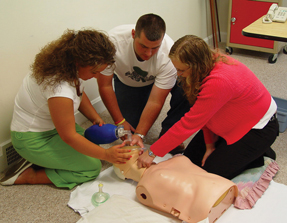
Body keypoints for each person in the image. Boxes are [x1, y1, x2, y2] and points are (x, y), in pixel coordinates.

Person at [0, 29, 132, 189]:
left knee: (90, 143)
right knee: (92, 167)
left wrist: (94, 117)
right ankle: (31, 175)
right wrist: (106, 155)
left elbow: (79, 93)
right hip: (32, 139)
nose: (97, 76)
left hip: (51, 127)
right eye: (94, 72)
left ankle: (45, 159)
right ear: (78, 62)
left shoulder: (64, 66)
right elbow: (69, 136)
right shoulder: (59, 88)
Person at [137, 35, 279, 180]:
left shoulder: (218, 81)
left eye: (181, 70)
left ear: (196, 66)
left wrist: (151, 152)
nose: (178, 74)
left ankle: (260, 154)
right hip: (231, 118)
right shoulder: (206, 62)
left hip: (259, 128)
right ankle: (241, 150)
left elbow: (189, 124)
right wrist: (210, 146)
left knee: (208, 175)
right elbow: (204, 112)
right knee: (190, 161)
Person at [97, 13, 190, 153]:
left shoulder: (169, 53)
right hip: (127, 82)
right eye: (143, 46)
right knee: (130, 127)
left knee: (187, 85)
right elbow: (105, 85)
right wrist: (120, 121)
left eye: (155, 48)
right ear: (134, 34)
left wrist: (140, 134)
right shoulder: (112, 42)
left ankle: (168, 132)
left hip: (157, 83)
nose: (148, 53)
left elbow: (156, 101)